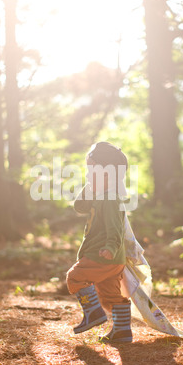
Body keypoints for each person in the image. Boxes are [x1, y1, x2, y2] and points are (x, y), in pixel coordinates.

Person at [66, 142, 132, 343]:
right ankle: (122, 331)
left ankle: (93, 314)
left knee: (75, 277)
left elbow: (115, 227)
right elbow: (80, 207)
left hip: (102, 254)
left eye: (91, 170)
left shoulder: (110, 199)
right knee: (109, 295)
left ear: (107, 175)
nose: (87, 175)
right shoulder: (101, 195)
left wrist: (110, 248)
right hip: (111, 259)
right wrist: (90, 186)